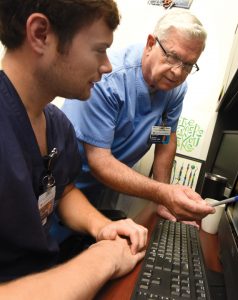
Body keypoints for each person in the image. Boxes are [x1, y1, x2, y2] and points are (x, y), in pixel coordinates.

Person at [0, 0, 148, 299]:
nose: (107, 65)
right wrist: (102, 259)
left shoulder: (58, 125)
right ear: (40, 34)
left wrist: (103, 227)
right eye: (99, 49)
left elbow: (63, 190)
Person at [61, 9, 215, 222]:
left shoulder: (175, 89)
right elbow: (100, 162)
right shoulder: (108, 80)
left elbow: (165, 138)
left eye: (188, 64)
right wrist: (163, 193)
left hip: (107, 187)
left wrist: (163, 202)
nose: (178, 72)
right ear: (151, 43)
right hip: (66, 183)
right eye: (172, 57)